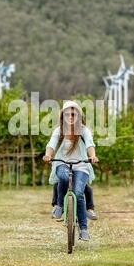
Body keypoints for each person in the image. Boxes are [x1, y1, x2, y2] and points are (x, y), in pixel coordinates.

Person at [43, 101, 99, 241]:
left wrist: (92, 156)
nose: (70, 116)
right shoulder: (59, 130)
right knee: (62, 177)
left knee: (79, 194)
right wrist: (48, 155)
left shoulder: (84, 130)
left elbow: (90, 144)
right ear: (63, 116)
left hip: (81, 166)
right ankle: (59, 206)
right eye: (67, 114)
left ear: (78, 116)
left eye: (73, 114)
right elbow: (51, 144)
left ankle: (83, 229)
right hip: (63, 163)